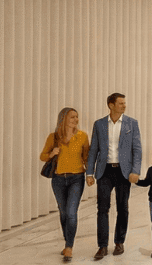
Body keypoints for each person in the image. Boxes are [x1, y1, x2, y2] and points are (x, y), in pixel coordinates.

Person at [86, 93, 142, 261]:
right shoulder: (99, 124)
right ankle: (102, 246)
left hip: (124, 172)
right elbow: (93, 150)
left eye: (125, 103)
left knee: (122, 207)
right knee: (102, 208)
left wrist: (136, 171)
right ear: (111, 105)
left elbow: (137, 150)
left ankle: (119, 242)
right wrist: (89, 172)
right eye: (120, 103)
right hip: (105, 171)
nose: (124, 106)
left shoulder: (132, 124)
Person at [40, 107, 90, 262]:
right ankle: (67, 239)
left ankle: (69, 246)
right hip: (58, 179)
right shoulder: (54, 137)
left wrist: (90, 175)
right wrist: (52, 153)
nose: (76, 120)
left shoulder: (82, 136)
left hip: (77, 178)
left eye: (77, 117)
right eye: (72, 117)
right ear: (63, 120)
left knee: (71, 212)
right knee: (63, 213)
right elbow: (42, 156)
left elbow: (86, 158)